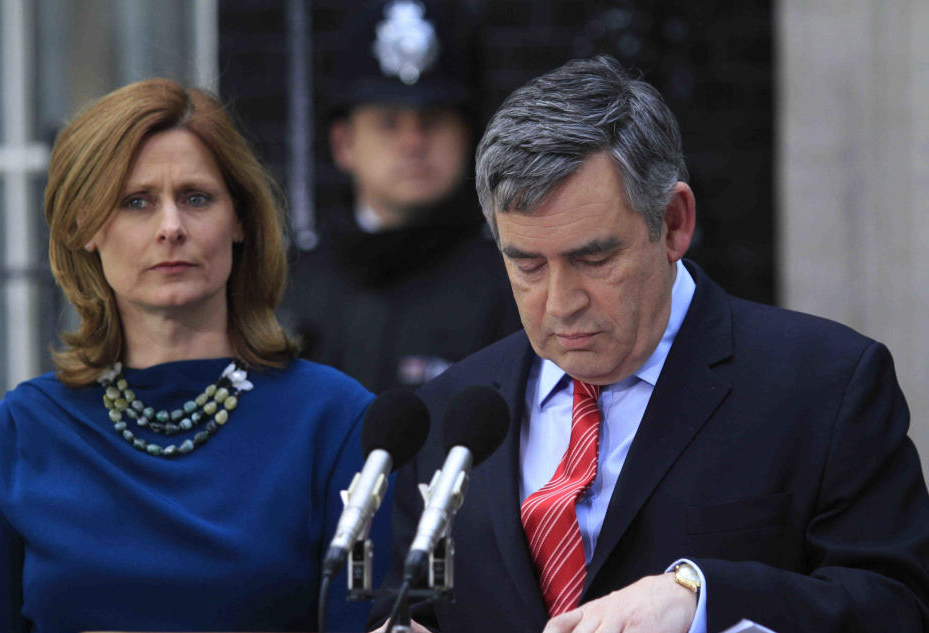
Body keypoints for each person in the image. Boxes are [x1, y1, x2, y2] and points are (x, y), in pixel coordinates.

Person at [371, 56, 929, 633]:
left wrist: (701, 599)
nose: (561, 303)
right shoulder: (448, 414)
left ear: (674, 222)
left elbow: (897, 607)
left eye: (594, 259)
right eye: (528, 265)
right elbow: (411, 604)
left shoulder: (826, 385)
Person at [0, 78, 388, 632]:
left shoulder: (333, 420)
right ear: (85, 226)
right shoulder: (18, 435)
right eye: (136, 202)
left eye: (196, 198)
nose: (171, 228)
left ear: (239, 220)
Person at [282, 0, 520, 393]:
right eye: (388, 123)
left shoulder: (512, 283)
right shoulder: (292, 283)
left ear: (467, 136)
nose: (413, 143)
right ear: (344, 142)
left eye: (433, 121)